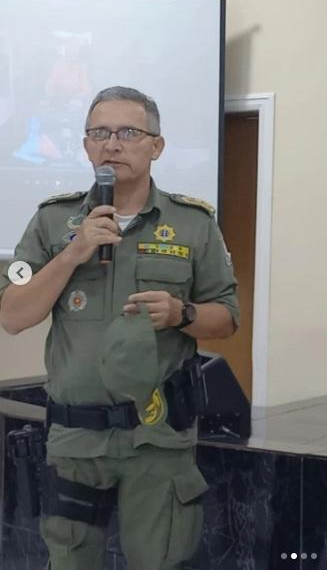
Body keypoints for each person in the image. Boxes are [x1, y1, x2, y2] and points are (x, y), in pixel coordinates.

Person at [0, 86, 239, 570]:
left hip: (158, 439)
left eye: (129, 132)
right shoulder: (52, 221)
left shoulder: (193, 224)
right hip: (76, 438)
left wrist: (182, 314)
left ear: (156, 145)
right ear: (87, 146)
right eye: (100, 133)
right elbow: (13, 315)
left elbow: (227, 318)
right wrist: (72, 252)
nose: (113, 144)